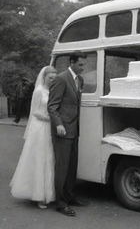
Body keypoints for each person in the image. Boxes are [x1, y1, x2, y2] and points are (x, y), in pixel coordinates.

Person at [10, 66, 57, 209]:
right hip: (40, 127)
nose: (52, 80)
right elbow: (35, 111)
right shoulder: (38, 91)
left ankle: (48, 192)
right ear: (44, 77)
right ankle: (38, 195)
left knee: (49, 158)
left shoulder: (52, 91)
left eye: (54, 78)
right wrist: (49, 118)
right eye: (50, 78)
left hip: (50, 127)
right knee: (39, 158)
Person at [47, 54, 86, 217]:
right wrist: (59, 125)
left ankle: (69, 196)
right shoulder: (61, 79)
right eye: (81, 65)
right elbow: (52, 106)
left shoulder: (80, 80)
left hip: (74, 129)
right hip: (63, 130)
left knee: (72, 167)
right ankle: (61, 203)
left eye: (84, 65)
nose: (83, 68)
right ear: (72, 62)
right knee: (62, 168)